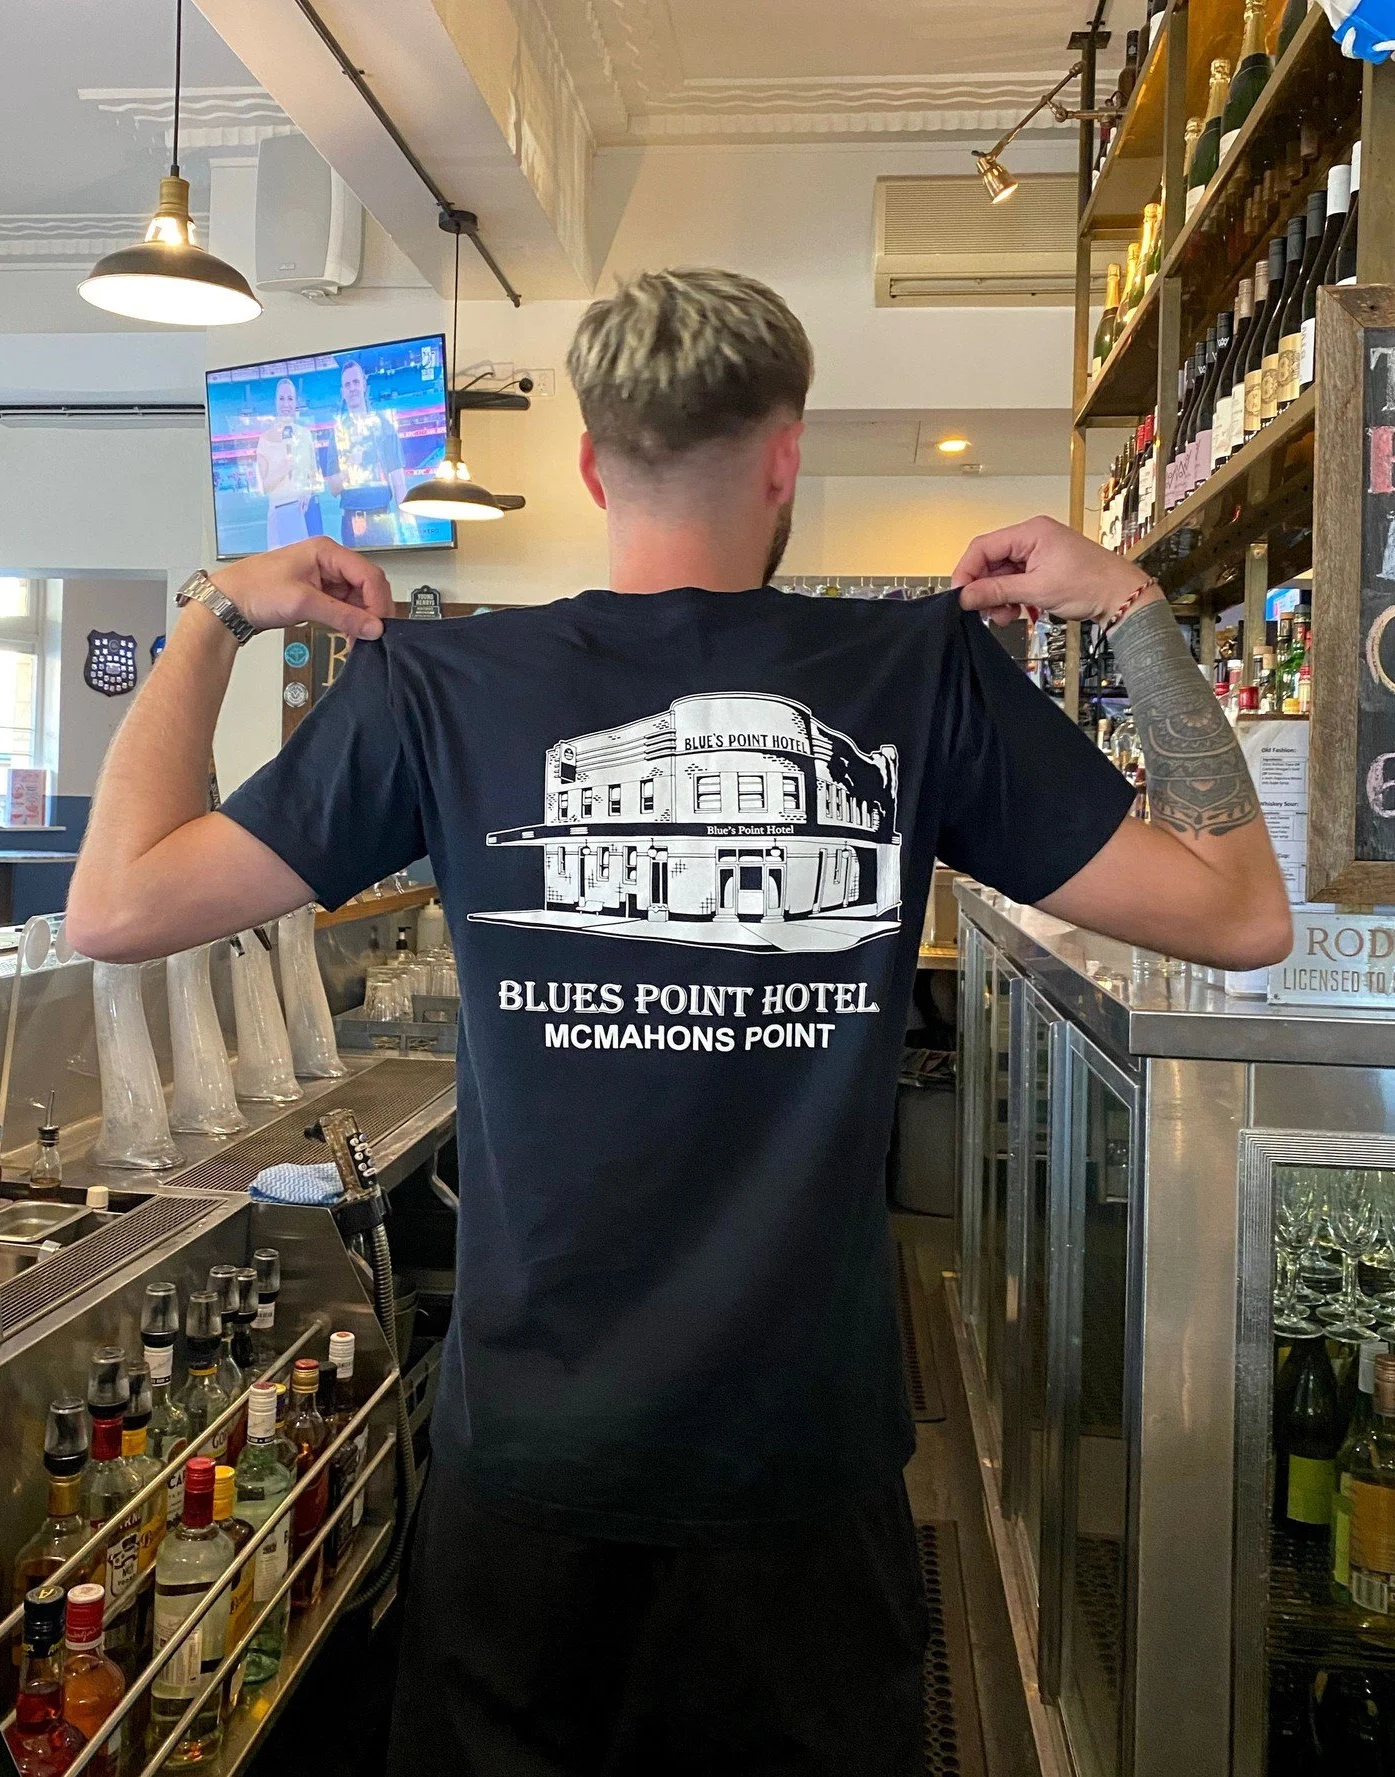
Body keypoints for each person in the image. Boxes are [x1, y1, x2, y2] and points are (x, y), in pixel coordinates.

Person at [66, 268, 1290, 1777]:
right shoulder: (914, 677)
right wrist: (1129, 607)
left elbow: (112, 905)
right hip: (798, 1467)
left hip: (525, 1464)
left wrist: (211, 615)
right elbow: (1239, 911)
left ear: (588, 463)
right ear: (785, 456)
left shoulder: (437, 686)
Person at [325, 356, 408, 548]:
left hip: (382, 517)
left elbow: (398, 482)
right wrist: (350, 466)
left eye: (356, 382)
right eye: (347, 384)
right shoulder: (337, 433)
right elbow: (333, 489)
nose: (352, 387)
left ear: (364, 385)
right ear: (342, 392)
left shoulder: (384, 426)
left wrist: (408, 527)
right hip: (351, 520)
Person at [254, 377, 323, 549]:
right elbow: (264, 487)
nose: (286, 404)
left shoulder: (305, 435)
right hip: (279, 513)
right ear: (275, 402)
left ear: (296, 402)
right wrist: (283, 469)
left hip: (305, 512)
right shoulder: (264, 440)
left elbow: (314, 474)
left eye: (290, 399)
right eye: (282, 398)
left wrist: (307, 491)